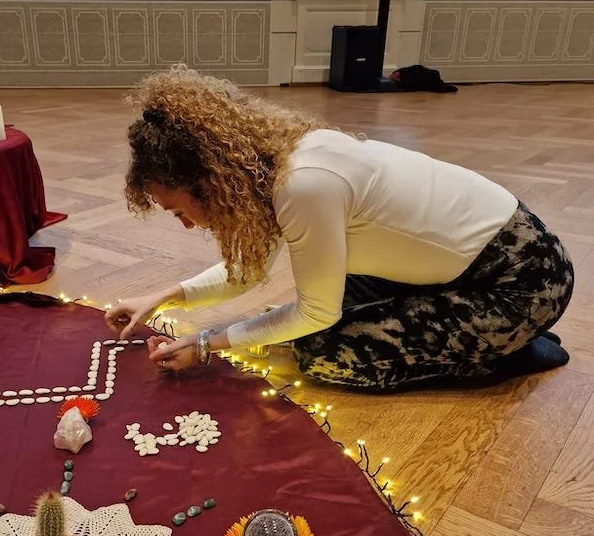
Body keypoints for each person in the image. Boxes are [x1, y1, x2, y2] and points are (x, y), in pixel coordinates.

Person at [104, 67, 573, 392]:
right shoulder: (276, 163)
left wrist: (206, 343)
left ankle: (500, 353)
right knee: (305, 312)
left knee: (324, 355)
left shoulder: (304, 186)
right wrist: (161, 298)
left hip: (523, 286)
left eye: (179, 211)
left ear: (210, 182)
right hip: (486, 261)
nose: (187, 224)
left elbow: (315, 314)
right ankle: (485, 336)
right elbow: (248, 272)